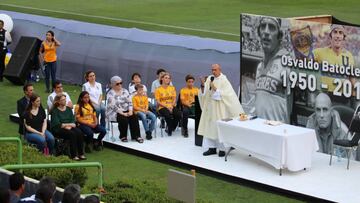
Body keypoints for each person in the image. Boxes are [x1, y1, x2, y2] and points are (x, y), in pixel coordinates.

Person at [198, 64, 244, 156]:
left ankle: (222, 149)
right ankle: (211, 148)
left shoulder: (224, 80)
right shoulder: (210, 78)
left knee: (219, 128)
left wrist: (214, 88)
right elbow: (205, 93)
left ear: (220, 70)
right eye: (212, 70)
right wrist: (203, 85)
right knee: (210, 127)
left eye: (215, 70)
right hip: (210, 108)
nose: (213, 72)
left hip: (220, 109)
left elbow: (228, 94)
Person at [255, 17, 292, 123]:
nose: (266, 32)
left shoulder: (286, 63)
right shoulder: (259, 66)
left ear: (279, 36)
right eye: (263, 27)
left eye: (271, 28)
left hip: (278, 132)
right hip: (259, 130)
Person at [313, 24, 355, 93]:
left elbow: (352, 80)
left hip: (344, 97)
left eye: (340, 33)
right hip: (326, 95)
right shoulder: (319, 52)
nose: (337, 36)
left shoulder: (349, 56)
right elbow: (303, 59)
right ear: (330, 36)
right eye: (335, 32)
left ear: (343, 37)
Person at [106, 76, 143, 143]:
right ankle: (123, 136)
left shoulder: (125, 91)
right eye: (117, 84)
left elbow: (130, 102)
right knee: (123, 118)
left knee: (134, 116)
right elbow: (113, 106)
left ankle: (136, 136)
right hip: (115, 112)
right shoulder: (110, 93)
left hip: (126, 109)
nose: (120, 85)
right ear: (113, 84)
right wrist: (123, 113)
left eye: (121, 83)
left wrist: (131, 110)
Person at [51, 94, 86, 160]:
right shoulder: (55, 111)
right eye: (63, 100)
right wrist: (67, 126)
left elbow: (72, 120)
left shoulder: (68, 109)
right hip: (58, 129)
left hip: (69, 127)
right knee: (72, 134)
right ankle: (74, 155)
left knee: (79, 132)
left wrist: (68, 125)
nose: (65, 101)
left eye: (65, 99)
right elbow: (58, 124)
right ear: (58, 101)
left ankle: (81, 153)